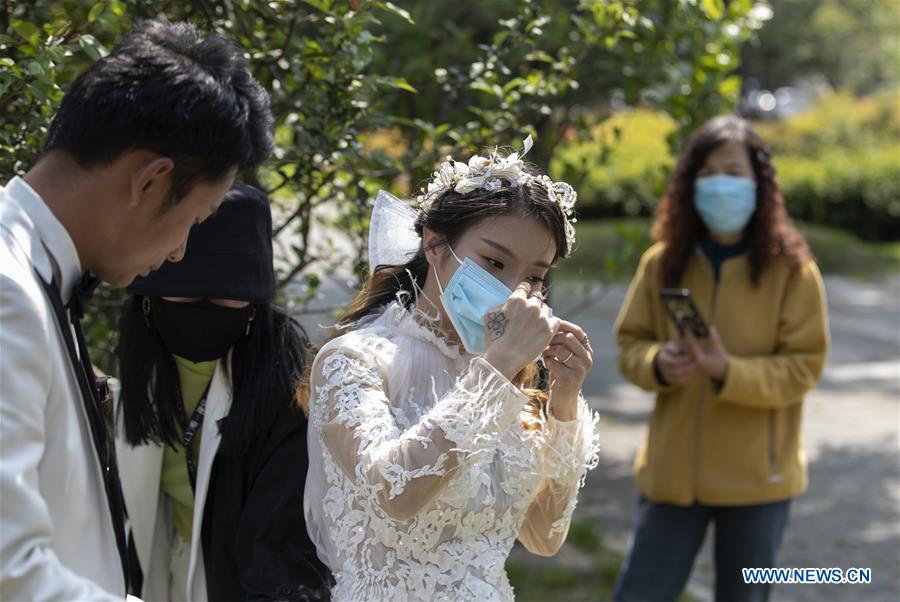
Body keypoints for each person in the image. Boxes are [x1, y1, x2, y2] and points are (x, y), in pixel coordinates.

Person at [0, 20, 272, 600]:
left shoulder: (36, 275)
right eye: (194, 222)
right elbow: (9, 569)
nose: (178, 251)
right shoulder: (7, 292)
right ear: (151, 181)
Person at [303, 136, 601, 601]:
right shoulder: (354, 359)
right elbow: (396, 493)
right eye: (494, 262)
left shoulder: (503, 378)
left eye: (534, 277)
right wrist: (499, 366)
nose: (512, 290)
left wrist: (562, 404)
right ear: (435, 244)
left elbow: (544, 537)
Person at [612, 115, 829, 602]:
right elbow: (631, 344)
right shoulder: (661, 260)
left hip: (759, 484)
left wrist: (727, 371)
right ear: (689, 184)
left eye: (732, 171)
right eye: (707, 174)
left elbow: (804, 367)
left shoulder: (794, 271)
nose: (720, 184)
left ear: (759, 182)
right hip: (672, 477)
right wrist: (659, 364)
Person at [116, 184, 330, 601]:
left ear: (255, 303)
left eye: (224, 294)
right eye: (185, 289)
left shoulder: (293, 394)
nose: (202, 306)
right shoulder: (142, 366)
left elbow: (278, 549)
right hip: (161, 572)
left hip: (236, 584)